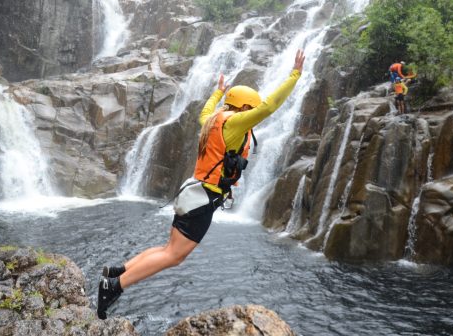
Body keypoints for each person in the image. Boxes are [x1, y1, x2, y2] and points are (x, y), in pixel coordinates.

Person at [96, 49, 306, 320]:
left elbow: (207, 109)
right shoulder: (236, 124)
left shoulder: (212, 120)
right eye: (250, 111)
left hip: (193, 191)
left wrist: (218, 92)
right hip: (203, 199)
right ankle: (114, 286)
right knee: (173, 256)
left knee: (167, 249)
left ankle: (118, 271)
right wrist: (295, 75)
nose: (253, 115)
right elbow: (269, 107)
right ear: (244, 109)